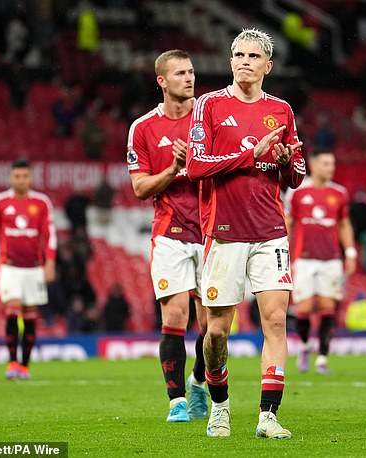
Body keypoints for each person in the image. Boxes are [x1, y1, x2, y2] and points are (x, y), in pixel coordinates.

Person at [186, 29, 306, 439]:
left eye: (253, 56)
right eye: (238, 54)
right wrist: (249, 156)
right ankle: (219, 405)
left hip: (271, 231)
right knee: (217, 331)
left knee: (275, 320)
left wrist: (288, 162)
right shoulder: (209, 106)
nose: (244, 61)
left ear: (268, 66)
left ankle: (267, 416)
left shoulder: (283, 111)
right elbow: (197, 166)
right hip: (224, 233)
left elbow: (297, 176)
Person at [127, 49, 208, 423]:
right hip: (170, 232)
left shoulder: (211, 118)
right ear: (161, 80)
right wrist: (175, 168)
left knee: (212, 328)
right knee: (175, 315)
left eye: (190, 72)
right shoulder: (143, 128)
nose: (189, 78)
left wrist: (193, 165)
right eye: (179, 73)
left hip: (212, 230)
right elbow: (141, 188)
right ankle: (176, 401)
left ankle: (197, 382)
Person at [0, 159, 56, 380]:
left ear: (30, 178)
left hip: (34, 268)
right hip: (9, 267)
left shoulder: (41, 203)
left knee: (30, 316)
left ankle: (24, 366)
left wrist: (49, 263)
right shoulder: (0, 202)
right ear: (11, 178)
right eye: (17, 176)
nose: (21, 180)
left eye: (25, 176)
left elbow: (50, 235)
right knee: (12, 309)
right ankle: (12, 362)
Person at [285, 149, 356, 375]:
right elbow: (289, 222)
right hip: (303, 259)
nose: (330, 168)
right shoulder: (297, 192)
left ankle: (322, 359)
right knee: (303, 309)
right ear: (313, 166)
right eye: (326, 163)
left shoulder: (340, 193)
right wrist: (283, 251)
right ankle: (306, 346)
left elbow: (344, 224)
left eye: (332, 164)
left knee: (328, 307)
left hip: (331, 259)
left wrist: (351, 253)